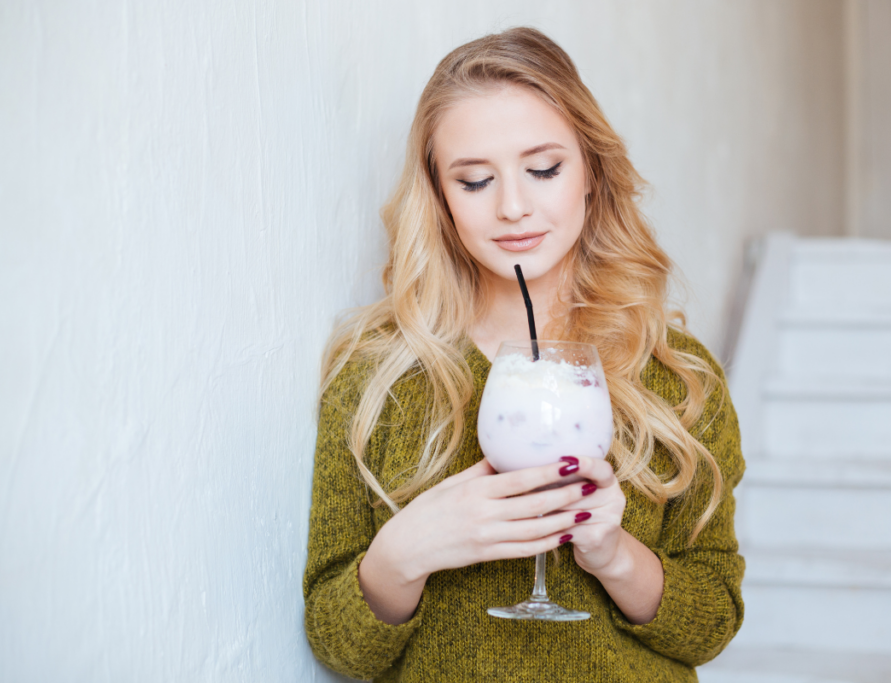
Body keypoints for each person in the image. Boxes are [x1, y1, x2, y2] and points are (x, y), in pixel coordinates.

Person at [303, 27, 744, 683]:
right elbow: (339, 644)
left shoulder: (677, 375)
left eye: (543, 169)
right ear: (443, 200)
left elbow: (711, 622)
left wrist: (612, 554)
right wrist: (403, 553)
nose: (513, 206)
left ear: (591, 171)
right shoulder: (378, 373)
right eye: (475, 180)